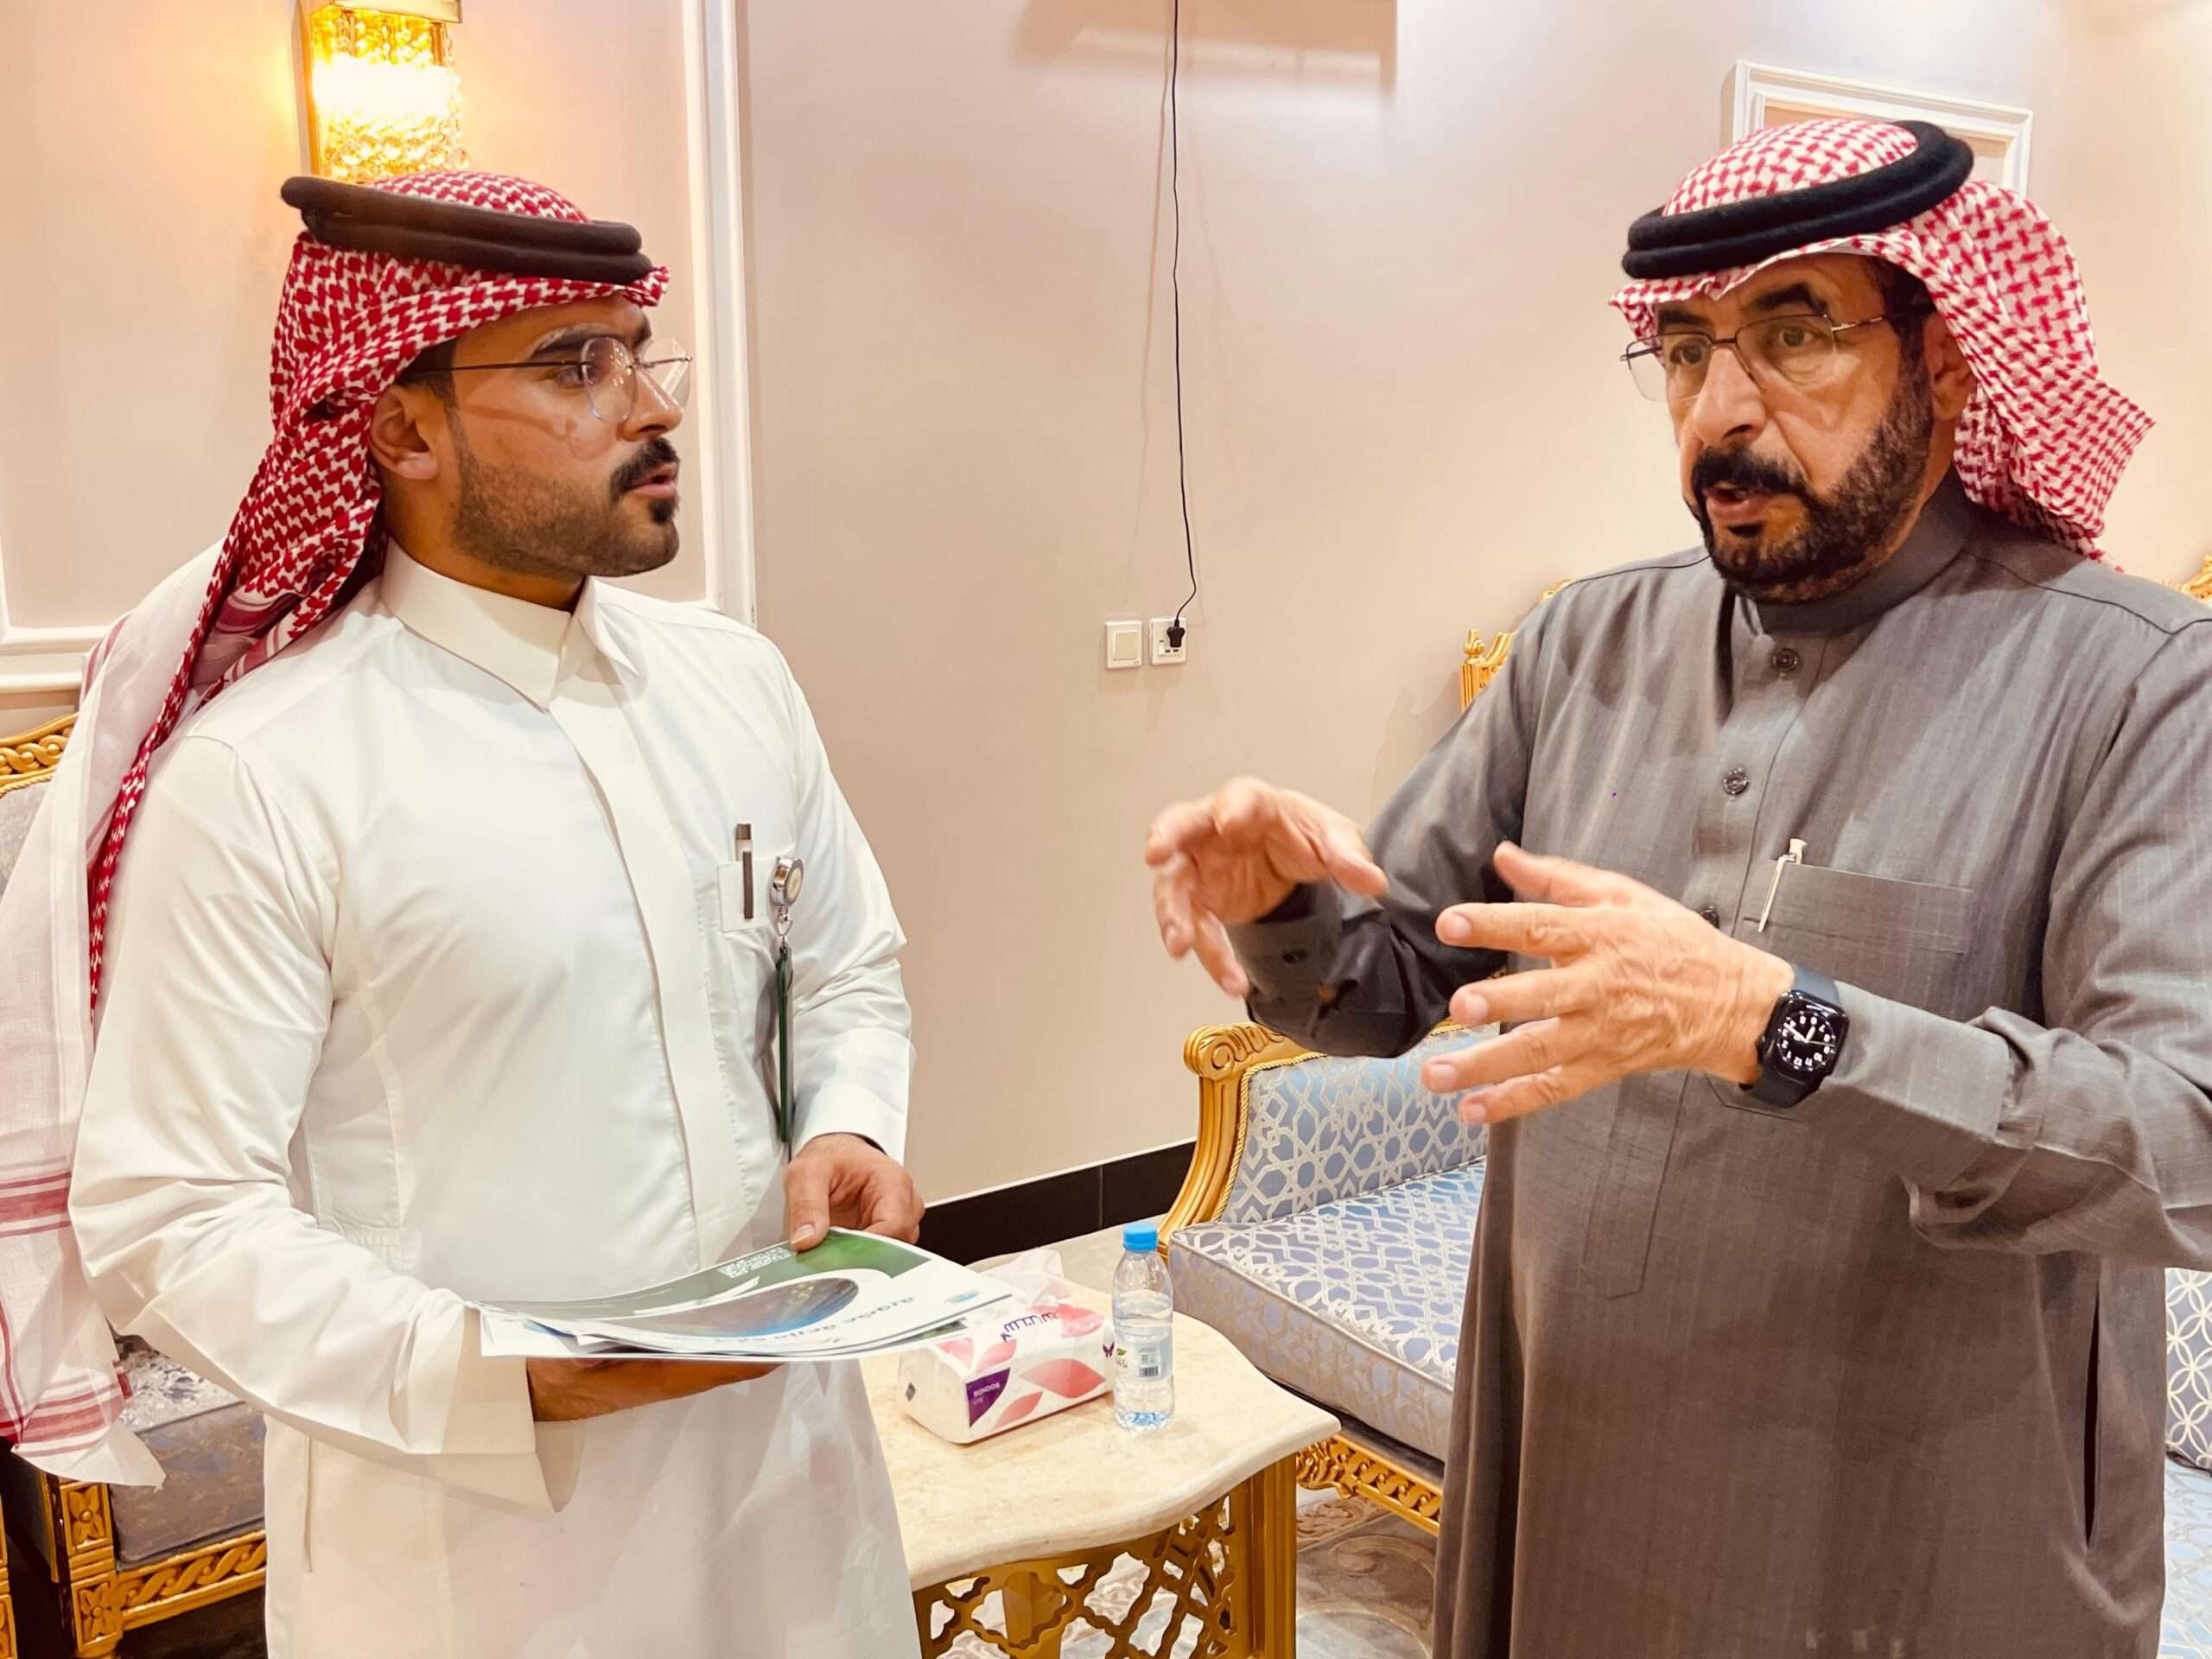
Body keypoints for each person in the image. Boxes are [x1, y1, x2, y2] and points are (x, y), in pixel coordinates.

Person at [1147, 118, 2212, 1655]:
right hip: (1579, 1474)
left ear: (1950, 362)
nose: (1722, 411)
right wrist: (1279, 909)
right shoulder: (1583, 646)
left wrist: (1776, 1024)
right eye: (1687, 348)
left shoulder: (2138, 681)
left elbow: (2181, 1142)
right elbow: (1380, 996)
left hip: (1923, 1533)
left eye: (1796, 334)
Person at [3, 171, 923, 1656]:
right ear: (402, 429)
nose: (652, 409)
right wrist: (500, 1375)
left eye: (643, 355)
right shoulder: (269, 773)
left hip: (791, 1481)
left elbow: (843, 963)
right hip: (477, 1545)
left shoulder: (736, 683)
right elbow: (172, 1209)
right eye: (577, 366)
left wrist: (852, 1123)